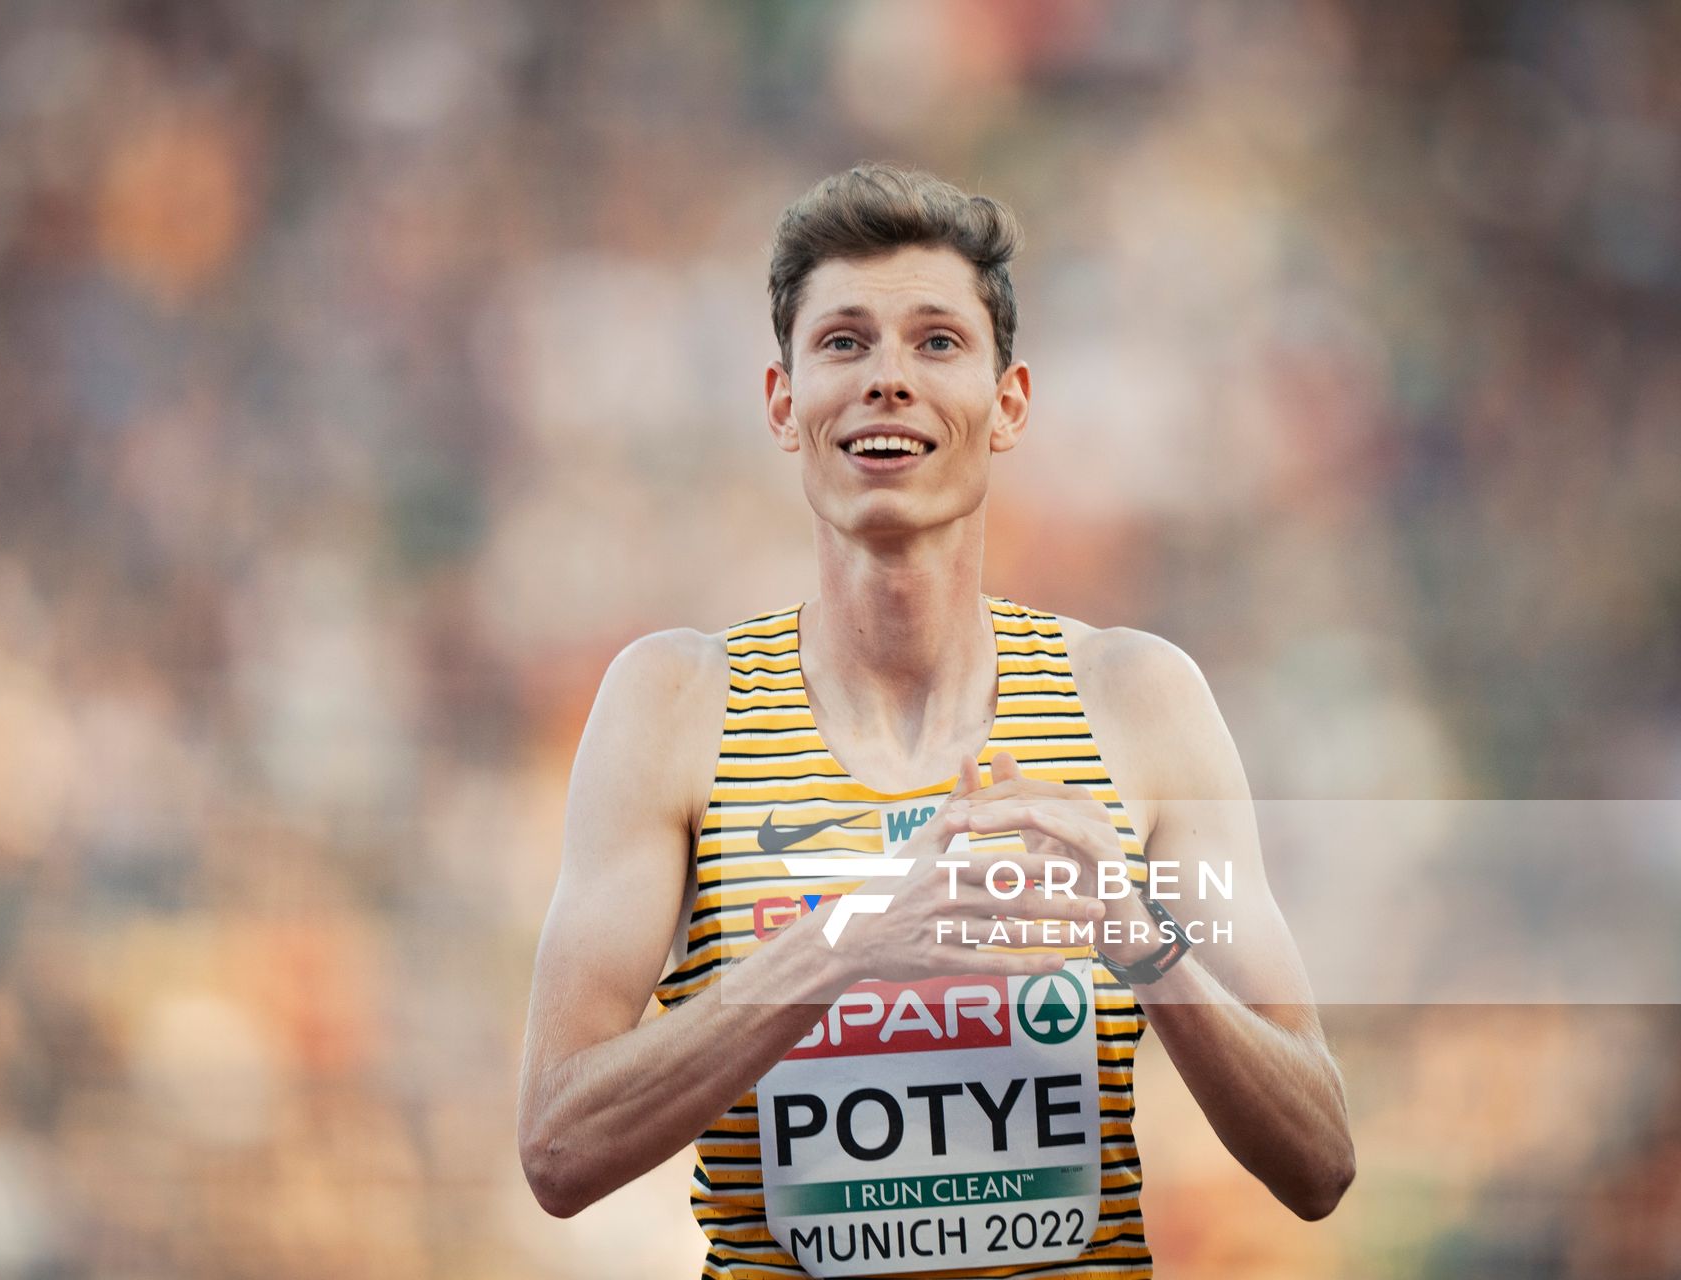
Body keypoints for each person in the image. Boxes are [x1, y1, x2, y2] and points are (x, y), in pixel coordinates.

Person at [518, 165, 1354, 1279]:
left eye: (938, 342)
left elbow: (1320, 1159)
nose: (889, 381)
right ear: (783, 401)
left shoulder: (1137, 700)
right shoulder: (675, 704)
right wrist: (851, 939)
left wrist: (1142, 939)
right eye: (846, 343)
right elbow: (559, 1149)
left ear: (1008, 404)